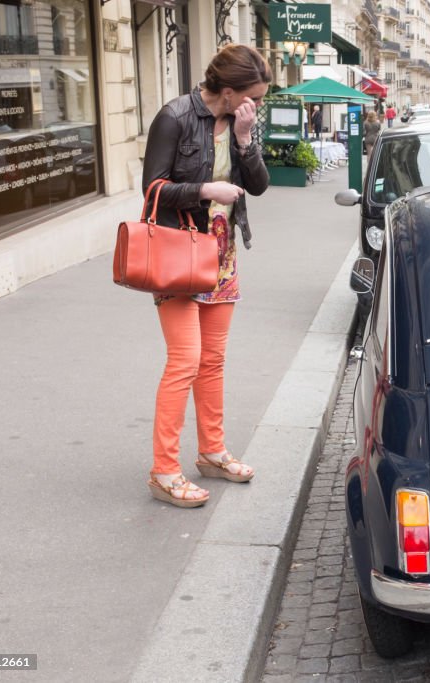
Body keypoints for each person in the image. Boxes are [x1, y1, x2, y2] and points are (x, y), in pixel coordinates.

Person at [140, 44, 271, 508]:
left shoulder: (240, 121)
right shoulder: (174, 117)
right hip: (178, 252)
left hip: (221, 252)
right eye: (253, 96)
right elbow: (152, 188)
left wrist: (244, 138)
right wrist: (203, 189)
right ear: (229, 90)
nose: (257, 102)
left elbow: (257, 184)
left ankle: (212, 452)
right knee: (185, 361)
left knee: (212, 360)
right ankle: (164, 470)